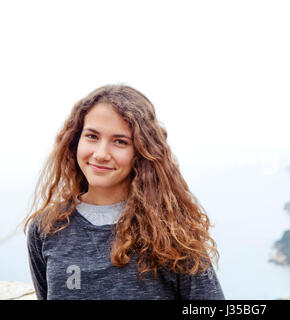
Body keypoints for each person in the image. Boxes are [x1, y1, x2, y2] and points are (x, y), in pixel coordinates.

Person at [23, 84, 224, 300]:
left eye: (120, 141)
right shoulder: (47, 228)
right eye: (92, 136)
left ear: (141, 152)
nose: (100, 154)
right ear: (74, 141)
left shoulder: (173, 232)